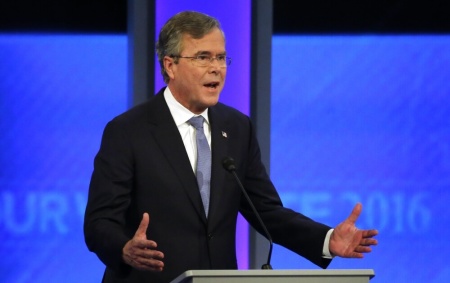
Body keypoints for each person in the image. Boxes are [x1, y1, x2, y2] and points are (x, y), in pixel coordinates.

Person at [84, 10, 378, 283]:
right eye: (203, 57)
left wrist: (326, 240)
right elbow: (99, 222)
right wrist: (124, 248)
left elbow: (266, 211)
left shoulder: (237, 128)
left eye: (221, 58)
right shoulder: (128, 131)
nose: (216, 69)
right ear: (170, 65)